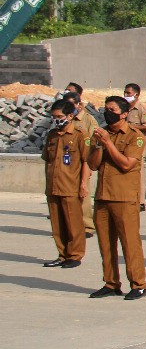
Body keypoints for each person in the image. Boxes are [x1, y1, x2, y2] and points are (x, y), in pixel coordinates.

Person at [86, 95, 146, 298]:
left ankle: (138, 284)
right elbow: (93, 165)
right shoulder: (102, 134)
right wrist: (98, 144)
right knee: (105, 243)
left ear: (124, 114)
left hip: (124, 197)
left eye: (112, 110)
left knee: (130, 243)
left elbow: (127, 164)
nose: (107, 112)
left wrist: (108, 144)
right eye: (106, 109)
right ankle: (111, 283)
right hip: (103, 196)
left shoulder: (134, 136)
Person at [41, 98, 90, 269]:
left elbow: (86, 162)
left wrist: (83, 184)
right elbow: (47, 160)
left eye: (59, 116)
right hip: (53, 186)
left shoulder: (79, 135)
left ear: (70, 115)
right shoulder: (52, 135)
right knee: (57, 224)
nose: (56, 120)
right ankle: (62, 254)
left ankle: (75, 255)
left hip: (71, 186)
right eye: (53, 117)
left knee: (73, 224)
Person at [64, 90, 98, 239]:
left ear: (79, 104)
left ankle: (87, 226)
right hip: (67, 162)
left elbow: (93, 142)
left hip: (83, 160)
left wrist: (89, 164)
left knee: (83, 193)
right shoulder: (65, 119)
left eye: (72, 104)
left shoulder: (88, 120)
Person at [123, 82, 146, 209]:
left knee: (138, 172)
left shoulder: (142, 110)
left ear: (136, 95)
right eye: (125, 92)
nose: (126, 95)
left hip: (138, 145)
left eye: (128, 93)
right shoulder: (124, 108)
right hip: (126, 144)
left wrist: (131, 127)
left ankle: (140, 201)